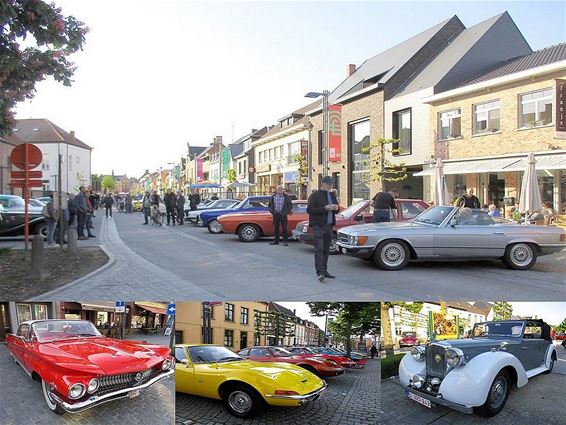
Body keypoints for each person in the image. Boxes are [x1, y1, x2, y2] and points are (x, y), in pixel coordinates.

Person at [307, 175, 339, 282]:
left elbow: (336, 209)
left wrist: (336, 208)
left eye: (331, 184)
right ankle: (320, 272)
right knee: (319, 249)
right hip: (318, 226)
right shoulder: (315, 195)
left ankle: (325, 270)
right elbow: (310, 210)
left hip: (329, 226)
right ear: (323, 184)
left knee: (326, 249)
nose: (330, 186)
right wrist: (324, 208)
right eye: (328, 184)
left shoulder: (332, 194)